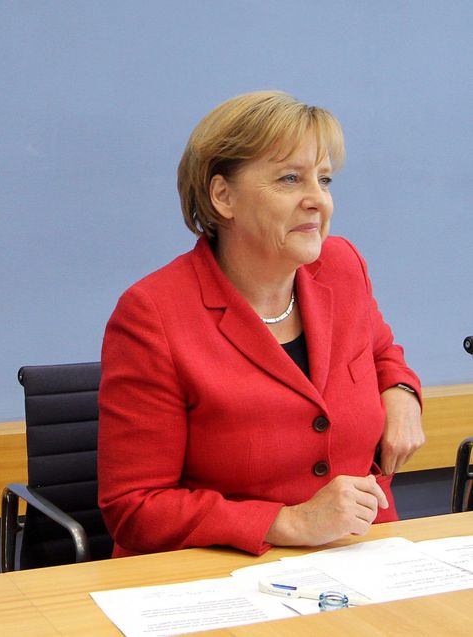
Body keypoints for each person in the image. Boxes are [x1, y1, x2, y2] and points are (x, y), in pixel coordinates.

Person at [98, 91, 424, 558]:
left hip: (359, 560)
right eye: (290, 179)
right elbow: (135, 508)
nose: (318, 201)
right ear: (223, 196)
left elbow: (380, 352)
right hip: (219, 579)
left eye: (325, 180)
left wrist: (402, 392)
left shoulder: (341, 266)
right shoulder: (153, 314)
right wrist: (287, 521)